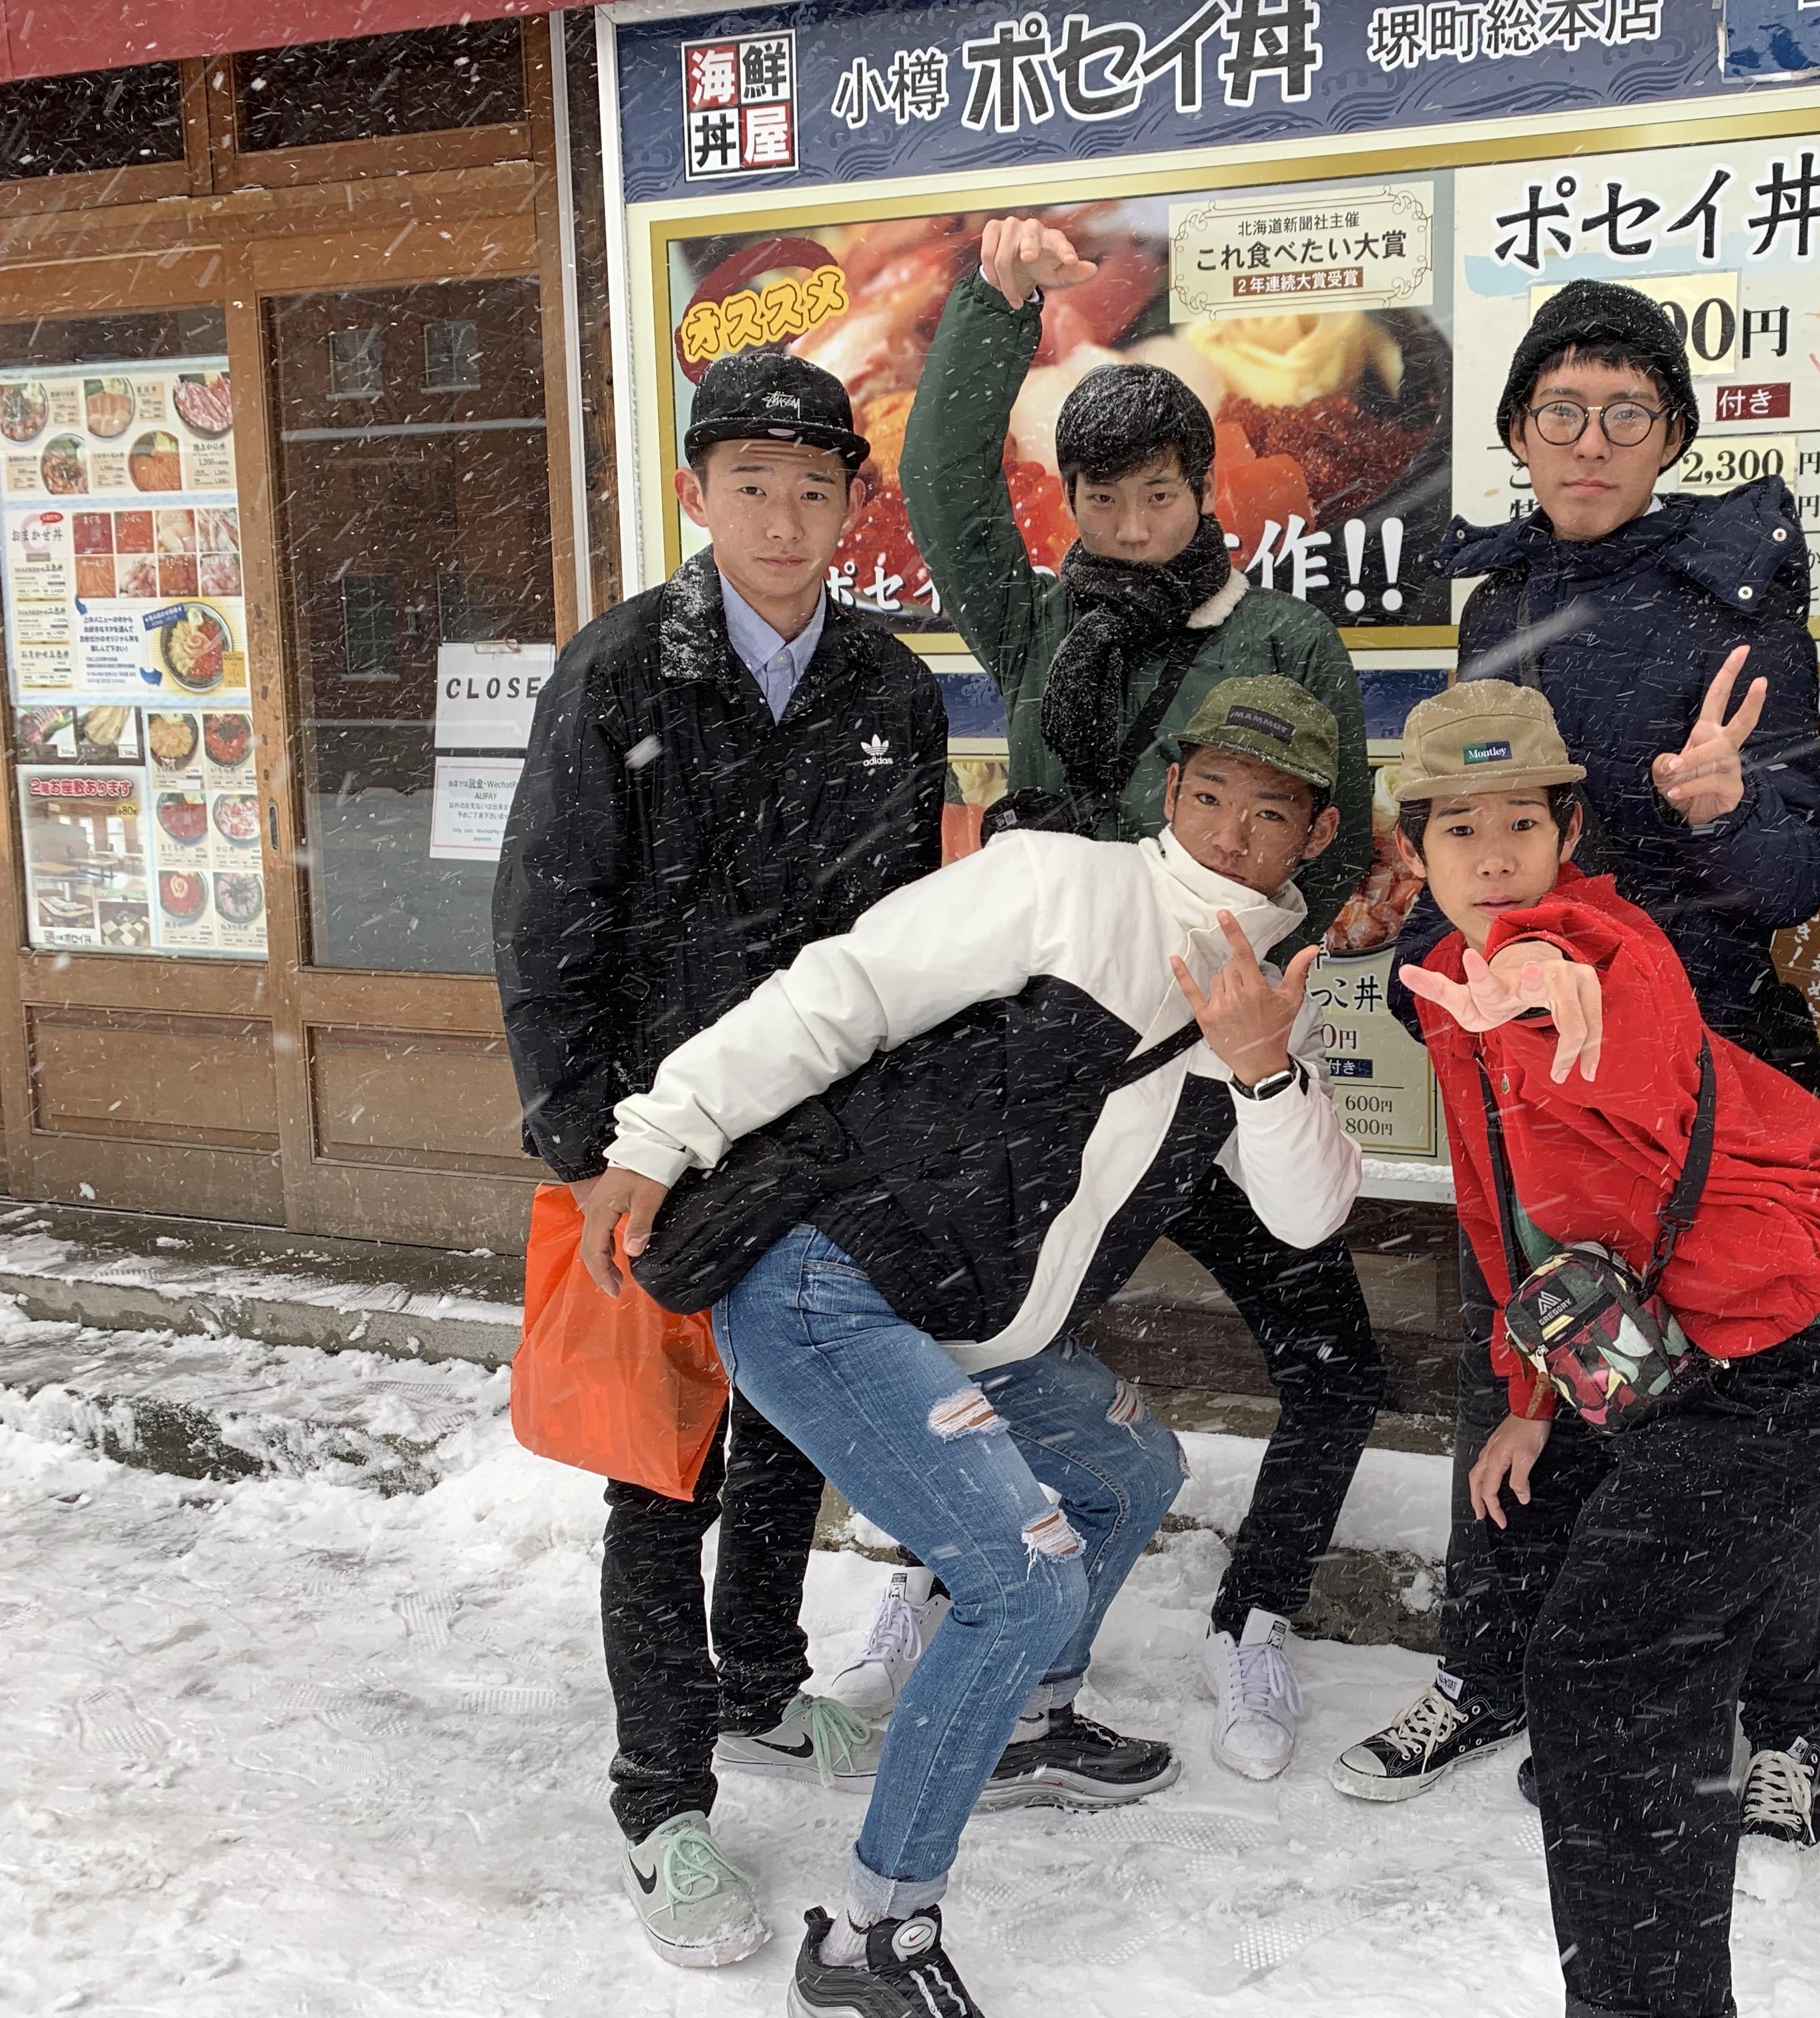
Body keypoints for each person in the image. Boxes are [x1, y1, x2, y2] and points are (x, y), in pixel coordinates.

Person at [573, 677, 1362, 2018]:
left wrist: (1264, 1070)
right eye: (1212, 795)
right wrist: (661, 1132)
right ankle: (871, 1940)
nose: (1233, 831)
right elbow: (843, 992)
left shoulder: (1276, 992)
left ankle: (1023, 1725)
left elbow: (1307, 1212)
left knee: (1130, 1473)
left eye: (1270, 811)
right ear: (1172, 792)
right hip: (828, 1282)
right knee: (1024, 1575)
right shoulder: (1064, 885)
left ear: (1316, 831)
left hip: (978, 1323)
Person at [1345, 280, 1820, 1846]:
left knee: (1720, 1399)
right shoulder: (1498, 601)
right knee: (1522, 1344)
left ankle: (1784, 1725)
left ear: (1674, 436)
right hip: (1523, 1062)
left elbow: (1797, 874)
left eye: (1628, 412)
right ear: (1516, 432)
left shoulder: (1737, 598)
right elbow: (1466, 832)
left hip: (1689, 1074)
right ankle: (1490, 1667)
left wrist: (1725, 809)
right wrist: (1426, 948)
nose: (1590, 440)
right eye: (1559, 410)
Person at [892, 213, 1383, 1783]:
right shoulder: (1041, 624)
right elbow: (943, 491)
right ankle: (943, 1593)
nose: (1129, 523)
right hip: (1048, 1084)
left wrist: (1250, 970)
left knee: (1331, 1358)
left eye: (1156, 494)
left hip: (1211, 1077)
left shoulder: (1281, 639)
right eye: (1100, 499)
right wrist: (993, 311)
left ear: (1203, 487)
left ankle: (1257, 1614)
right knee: (985, 1345)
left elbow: (1337, 834)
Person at [493, 352, 950, 1968]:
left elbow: (908, 938)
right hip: (650, 1148)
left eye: (814, 488)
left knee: (788, 1435)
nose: (782, 517)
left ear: (852, 507)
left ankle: (758, 1685)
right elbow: (545, 920)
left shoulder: (889, 689)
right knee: (659, 1469)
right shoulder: (622, 673)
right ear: (698, 493)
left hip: (818, 1143)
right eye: (751, 484)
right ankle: (662, 1800)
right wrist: (585, 1145)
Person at [1387, 679, 1820, 2018]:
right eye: (1459, 828)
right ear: (1415, 848)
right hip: (1686, 1352)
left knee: (1604, 1667)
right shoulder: (1448, 990)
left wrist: (1553, 994)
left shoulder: (1611, 951)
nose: (1494, 857)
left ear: (1570, 834)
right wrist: (1527, 1395)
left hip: (1807, 1345)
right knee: (1629, 1672)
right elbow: (1502, 1212)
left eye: (1522, 823)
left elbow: (1637, 1054)